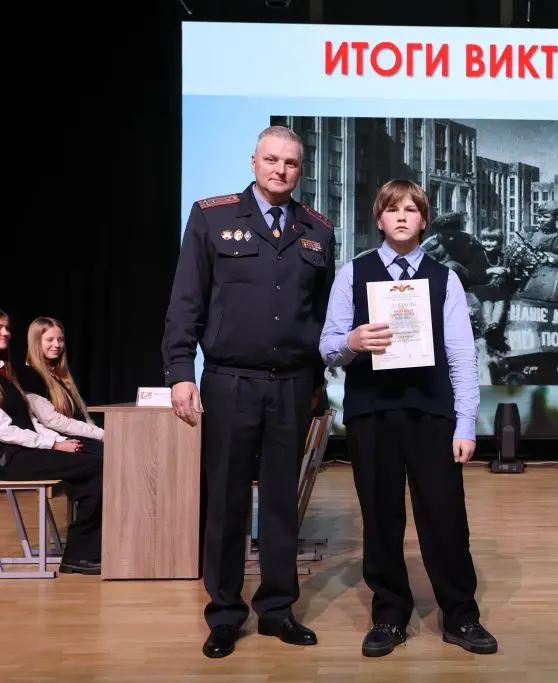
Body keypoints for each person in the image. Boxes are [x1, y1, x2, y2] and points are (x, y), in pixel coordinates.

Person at [162, 125, 336, 659]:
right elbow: (186, 300)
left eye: (291, 163)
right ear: (253, 162)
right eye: (271, 159)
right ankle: (224, 614)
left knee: (282, 502)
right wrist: (180, 372)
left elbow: (323, 314)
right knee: (227, 501)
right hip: (229, 381)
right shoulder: (211, 217)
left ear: (300, 170)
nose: (280, 170)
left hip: (292, 386)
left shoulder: (318, 229)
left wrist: (319, 383)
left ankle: (277, 609)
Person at [319, 178, 498, 658]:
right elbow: (328, 346)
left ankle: (460, 616)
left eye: (411, 209)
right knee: (380, 519)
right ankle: (389, 615)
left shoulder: (445, 279)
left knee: (445, 517)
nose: (401, 216)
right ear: (379, 219)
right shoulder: (352, 273)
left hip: (432, 413)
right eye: (392, 209)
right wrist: (352, 342)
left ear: (424, 220)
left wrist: (466, 423)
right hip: (371, 413)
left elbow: (462, 355)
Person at [0, 310, 104, 575]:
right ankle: (80, 553)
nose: (6, 332)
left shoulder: (5, 374)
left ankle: (86, 549)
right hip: (10, 458)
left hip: (27, 450)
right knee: (96, 465)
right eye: (0, 328)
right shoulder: (22, 375)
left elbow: (30, 422)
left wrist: (58, 440)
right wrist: (53, 444)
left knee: (94, 462)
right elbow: (6, 431)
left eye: (7, 327)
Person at [17, 317, 104, 451]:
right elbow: (52, 420)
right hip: (65, 444)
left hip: (83, 438)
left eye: (60, 340)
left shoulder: (59, 374)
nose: (57, 345)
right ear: (36, 342)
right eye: (50, 340)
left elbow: (82, 415)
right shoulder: (30, 375)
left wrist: (98, 432)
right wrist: (100, 434)